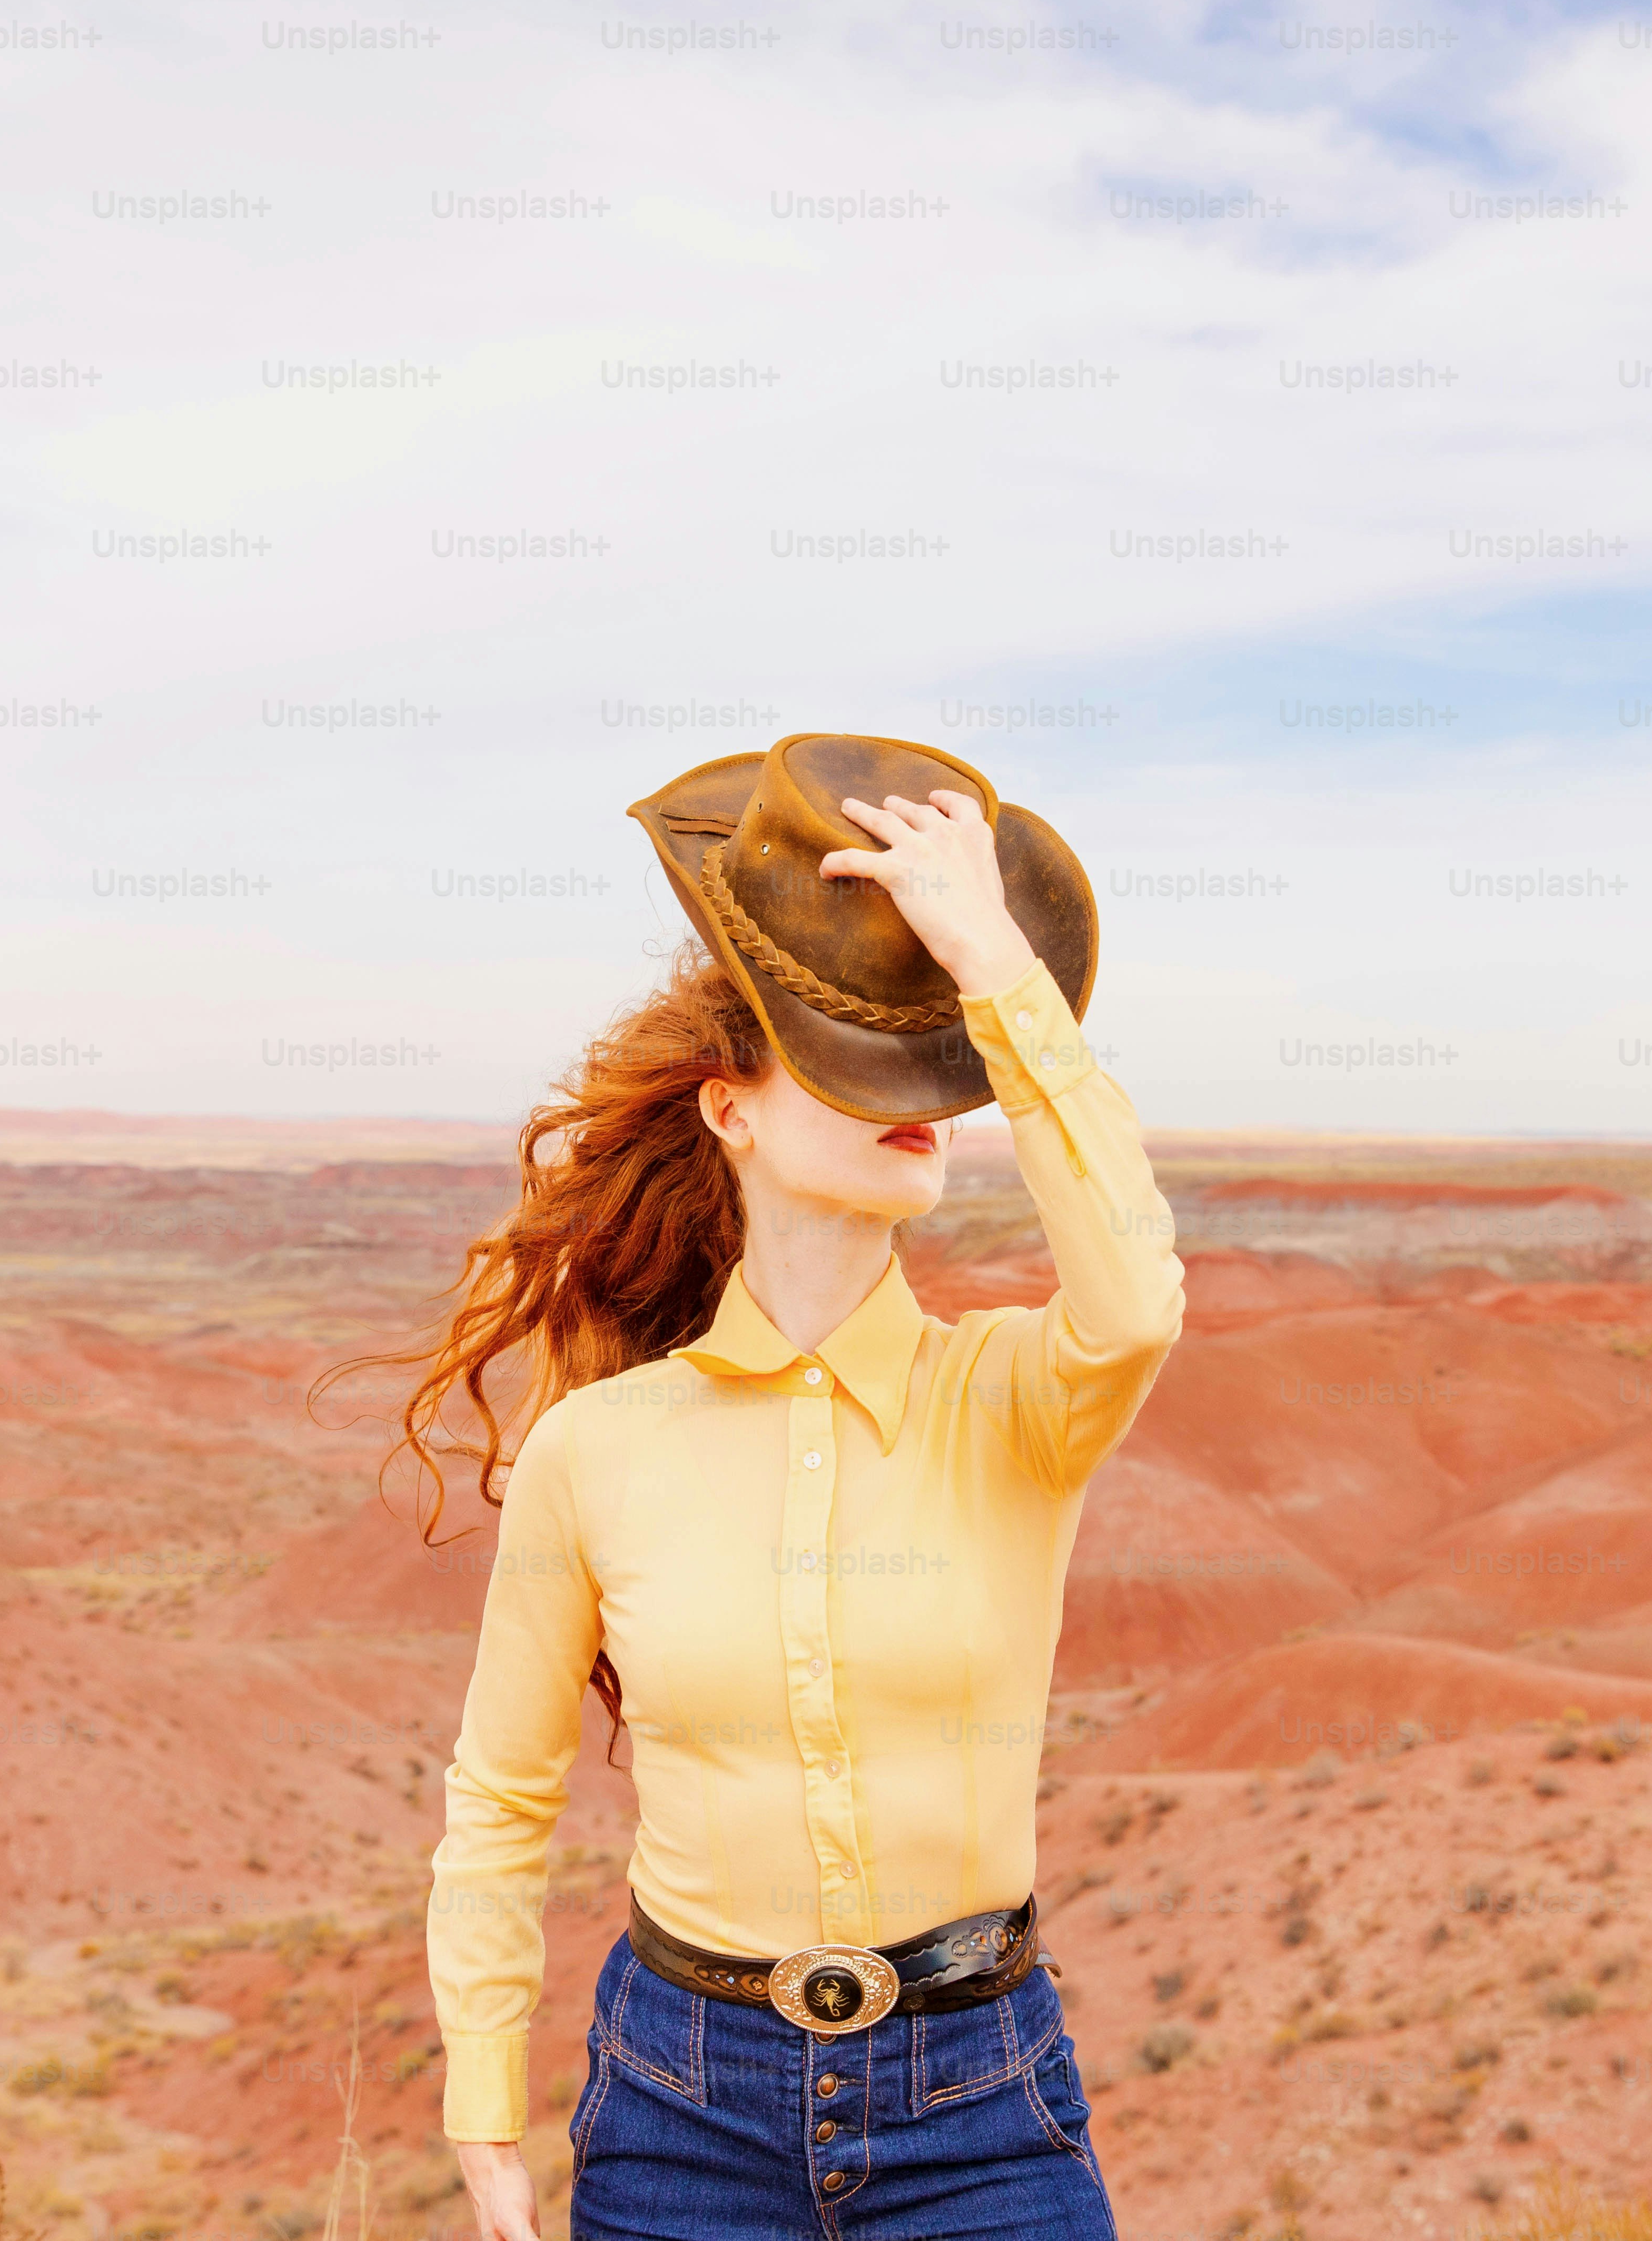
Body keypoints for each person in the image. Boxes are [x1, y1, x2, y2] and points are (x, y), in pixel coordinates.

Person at [344, 733, 1183, 2237]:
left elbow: (1132, 1301)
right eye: (854, 1056)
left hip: (978, 2107)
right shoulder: (597, 1452)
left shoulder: (1008, 1402)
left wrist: (998, 973)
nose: (922, 1095)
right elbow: (502, 1798)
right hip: (682, 2110)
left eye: (944, 1059)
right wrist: (485, 2105)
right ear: (730, 1109)